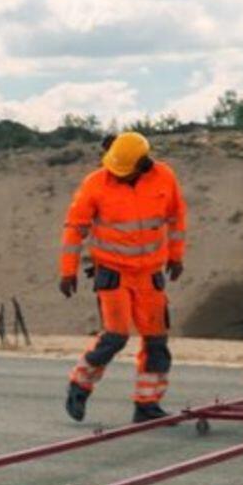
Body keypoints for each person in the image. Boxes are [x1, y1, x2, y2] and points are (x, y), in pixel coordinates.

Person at [59, 130, 187, 423]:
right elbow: (74, 229)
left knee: (156, 343)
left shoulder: (164, 177)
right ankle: (79, 385)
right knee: (115, 337)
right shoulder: (95, 184)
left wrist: (176, 256)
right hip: (113, 272)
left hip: (150, 274)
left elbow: (176, 217)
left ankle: (147, 404)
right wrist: (68, 271)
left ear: (143, 164)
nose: (118, 175)